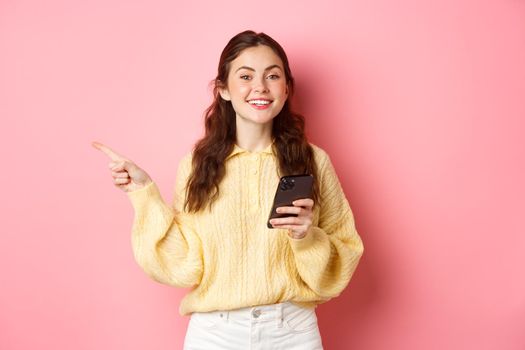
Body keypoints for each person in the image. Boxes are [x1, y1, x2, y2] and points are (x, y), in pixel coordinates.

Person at [93, 30, 364, 350]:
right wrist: (144, 193)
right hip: (215, 334)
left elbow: (345, 252)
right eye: (246, 76)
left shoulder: (314, 161)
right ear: (223, 89)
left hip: (292, 331)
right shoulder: (197, 164)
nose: (260, 87)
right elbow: (185, 262)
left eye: (273, 76)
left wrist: (308, 238)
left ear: (286, 88)